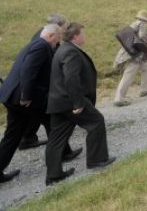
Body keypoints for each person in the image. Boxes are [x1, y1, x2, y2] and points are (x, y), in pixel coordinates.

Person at [0, 26, 81, 187]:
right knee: (54, 125)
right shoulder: (42, 46)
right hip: (24, 98)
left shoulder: (34, 44)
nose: (59, 41)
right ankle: (56, 170)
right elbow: (28, 71)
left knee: (12, 136)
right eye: (58, 38)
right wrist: (26, 96)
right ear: (51, 35)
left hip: (13, 97)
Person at [45, 23, 115, 185]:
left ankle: (53, 174)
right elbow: (71, 79)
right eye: (83, 33)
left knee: (56, 137)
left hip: (58, 101)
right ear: (75, 36)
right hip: (70, 100)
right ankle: (97, 160)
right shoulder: (71, 52)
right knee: (96, 122)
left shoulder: (63, 49)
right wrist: (78, 103)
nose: (85, 36)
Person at [20, 13, 68, 151]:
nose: (64, 31)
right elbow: (30, 69)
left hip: (38, 85)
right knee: (45, 115)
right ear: (56, 29)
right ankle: (61, 152)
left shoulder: (45, 36)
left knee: (38, 114)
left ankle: (28, 138)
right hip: (38, 85)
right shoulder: (43, 42)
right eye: (63, 27)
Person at [113, 10, 147, 107]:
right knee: (129, 74)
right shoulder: (142, 24)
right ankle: (119, 98)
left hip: (134, 52)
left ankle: (146, 89)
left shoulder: (134, 24)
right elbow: (142, 36)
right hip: (135, 54)